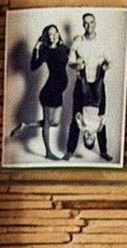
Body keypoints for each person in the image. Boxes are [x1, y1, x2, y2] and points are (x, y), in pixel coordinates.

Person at [10, 24, 70, 160]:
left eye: (55, 33)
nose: (53, 36)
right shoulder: (46, 51)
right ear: (47, 37)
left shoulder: (63, 48)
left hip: (58, 92)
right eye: (50, 34)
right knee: (48, 124)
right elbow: (33, 66)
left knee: (55, 122)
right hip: (49, 91)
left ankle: (25, 126)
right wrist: (36, 48)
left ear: (58, 34)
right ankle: (48, 152)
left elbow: (72, 55)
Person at [65, 11, 114, 161]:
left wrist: (106, 65)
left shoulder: (103, 41)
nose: (89, 25)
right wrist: (77, 64)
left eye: (91, 22)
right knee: (76, 117)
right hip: (82, 81)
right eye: (86, 23)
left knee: (100, 117)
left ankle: (103, 150)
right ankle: (70, 151)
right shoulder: (77, 42)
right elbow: (70, 63)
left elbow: (109, 61)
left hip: (98, 79)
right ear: (83, 24)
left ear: (95, 23)